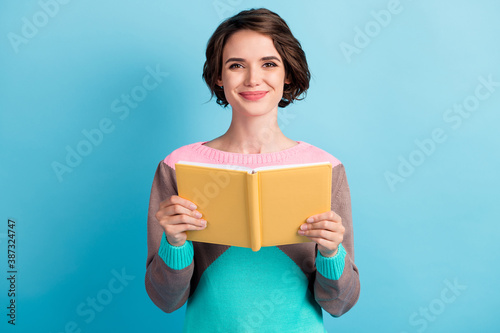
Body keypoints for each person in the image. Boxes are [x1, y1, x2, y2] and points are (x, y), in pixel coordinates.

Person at [145, 8, 360, 332]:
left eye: (269, 63)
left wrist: (331, 252)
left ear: (287, 73)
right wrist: (174, 244)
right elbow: (166, 300)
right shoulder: (178, 166)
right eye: (236, 65)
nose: (252, 79)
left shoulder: (326, 168)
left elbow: (340, 303)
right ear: (219, 76)